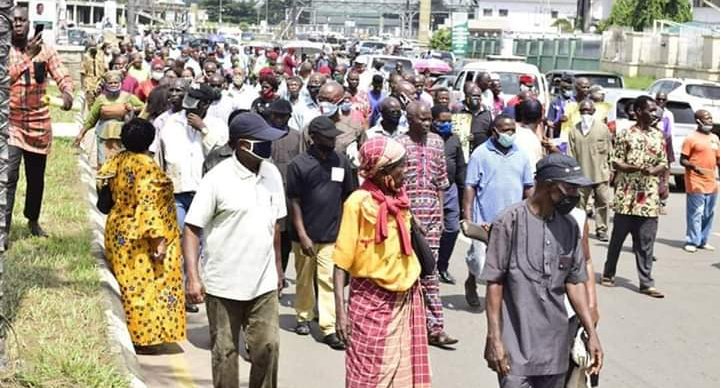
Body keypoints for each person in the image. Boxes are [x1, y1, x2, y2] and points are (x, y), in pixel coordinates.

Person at [183, 112, 287, 388]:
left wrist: (278, 268)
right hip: (224, 285)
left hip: (263, 284)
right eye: (262, 141)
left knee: (268, 348)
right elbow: (192, 229)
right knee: (225, 354)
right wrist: (193, 277)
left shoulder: (272, 173)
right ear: (242, 145)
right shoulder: (217, 179)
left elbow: (276, 225)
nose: (269, 146)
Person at [482, 153, 603, 388]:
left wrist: (591, 332)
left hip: (554, 348)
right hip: (515, 345)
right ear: (549, 186)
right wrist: (494, 338)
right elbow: (494, 283)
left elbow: (575, 282)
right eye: (571, 188)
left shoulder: (569, 226)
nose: (576, 196)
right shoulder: (509, 222)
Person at [333, 136, 431, 388]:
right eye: (400, 166)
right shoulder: (357, 202)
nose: (405, 171)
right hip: (370, 300)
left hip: (404, 296)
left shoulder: (400, 199)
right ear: (382, 171)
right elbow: (341, 263)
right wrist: (340, 313)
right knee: (365, 374)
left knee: (404, 370)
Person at [99, 118, 186, 352]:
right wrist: (158, 240)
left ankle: (137, 334)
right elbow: (148, 204)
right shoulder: (145, 166)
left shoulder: (120, 158)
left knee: (128, 284)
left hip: (118, 229)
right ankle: (143, 338)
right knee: (143, 287)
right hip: (140, 236)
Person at [288, 116, 356, 349]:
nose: (332, 141)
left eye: (333, 137)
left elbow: (349, 195)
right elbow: (294, 201)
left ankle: (328, 327)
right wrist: (302, 234)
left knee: (327, 280)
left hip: (331, 234)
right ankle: (303, 316)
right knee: (304, 279)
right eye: (327, 137)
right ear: (313, 138)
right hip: (304, 235)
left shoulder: (342, 161)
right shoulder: (298, 164)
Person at [8, 7, 74, 238]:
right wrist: (28, 56)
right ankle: (3, 228)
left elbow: (61, 73)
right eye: (14, 20)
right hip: (12, 124)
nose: (17, 24)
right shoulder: (5, 50)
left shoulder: (45, 50)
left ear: (29, 23)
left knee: (36, 180)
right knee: (9, 177)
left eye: (22, 20)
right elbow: (5, 78)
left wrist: (67, 92)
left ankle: (33, 221)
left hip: (39, 124)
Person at [398, 102, 457, 346]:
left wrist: (441, 215)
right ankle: (407, 325)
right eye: (421, 119)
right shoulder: (399, 145)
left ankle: (435, 327)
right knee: (406, 272)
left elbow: (441, 180)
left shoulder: (436, 142)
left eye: (428, 119)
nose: (426, 123)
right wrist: (409, 216)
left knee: (430, 273)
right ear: (409, 119)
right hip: (406, 216)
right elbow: (396, 185)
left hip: (432, 215)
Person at [462, 114, 534, 307]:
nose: (510, 134)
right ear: (494, 131)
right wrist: (467, 216)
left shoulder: (521, 155)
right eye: (505, 130)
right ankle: (471, 281)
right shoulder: (480, 154)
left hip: (512, 218)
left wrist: (535, 211)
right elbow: (470, 186)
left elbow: (528, 186)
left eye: (513, 131)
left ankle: (501, 298)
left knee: (510, 261)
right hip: (484, 217)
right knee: (478, 261)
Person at [602, 95, 667, 298]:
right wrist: (632, 168)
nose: (654, 113)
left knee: (646, 242)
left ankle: (646, 283)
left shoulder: (659, 136)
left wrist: (654, 171)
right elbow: (616, 161)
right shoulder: (625, 134)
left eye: (655, 110)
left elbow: (663, 162)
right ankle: (609, 273)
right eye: (650, 110)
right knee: (617, 240)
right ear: (638, 112)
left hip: (648, 198)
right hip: (626, 198)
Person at [75, 70, 145, 164]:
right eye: (110, 83)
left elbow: (144, 107)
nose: (113, 85)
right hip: (104, 136)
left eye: (116, 82)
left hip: (122, 136)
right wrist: (81, 133)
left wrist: (133, 108)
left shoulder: (128, 97)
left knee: (121, 163)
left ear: (120, 83)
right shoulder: (101, 100)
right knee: (104, 163)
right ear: (106, 84)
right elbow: (91, 118)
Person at [568, 99, 613, 242]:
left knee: (603, 202)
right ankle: (579, 228)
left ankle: (602, 230)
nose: (585, 114)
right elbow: (571, 155)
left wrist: (610, 170)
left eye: (588, 111)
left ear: (593, 112)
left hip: (601, 174)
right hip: (582, 176)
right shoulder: (574, 131)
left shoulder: (603, 129)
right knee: (579, 204)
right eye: (583, 111)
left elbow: (610, 151)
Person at [431, 106, 465, 285]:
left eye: (449, 121)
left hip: (450, 190)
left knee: (452, 229)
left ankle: (442, 266)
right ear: (433, 120)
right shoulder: (427, 138)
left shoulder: (454, 139)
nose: (447, 124)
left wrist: (463, 195)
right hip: (429, 191)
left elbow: (460, 167)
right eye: (443, 121)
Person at [680, 110, 719, 253]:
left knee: (709, 212)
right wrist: (693, 167)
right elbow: (683, 159)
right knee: (696, 212)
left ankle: (703, 240)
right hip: (695, 180)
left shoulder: (715, 138)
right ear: (698, 121)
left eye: (710, 118)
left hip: (711, 181)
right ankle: (692, 240)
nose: (709, 121)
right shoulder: (691, 139)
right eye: (706, 118)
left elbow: (718, 159)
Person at [453, 83, 492, 158]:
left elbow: (490, 134)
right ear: (467, 97)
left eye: (478, 96)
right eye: (474, 96)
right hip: (462, 153)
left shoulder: (487, 113)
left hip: (482, 153)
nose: (476, 98)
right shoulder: (459, 111)